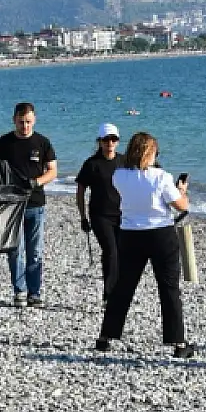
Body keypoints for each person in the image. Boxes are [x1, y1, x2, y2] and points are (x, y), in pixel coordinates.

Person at [95, 132, 193, 358]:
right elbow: (181, 205)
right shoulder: (161, 177)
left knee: (123, 287)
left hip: (130, 234)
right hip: (161, 234)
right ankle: (177, 341)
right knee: (168, 288)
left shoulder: (119, 175)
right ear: (151, 153)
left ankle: (106, 336)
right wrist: (182, 191)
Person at [0, 102, 58, 307]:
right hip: (11, 205)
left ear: (34, 120)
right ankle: (19, 290)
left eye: (28, 122)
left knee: (35, 250)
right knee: (14, 249)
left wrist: (36, 182)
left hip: (36, 204)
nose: (25, 126)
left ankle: (34, 292)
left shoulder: (43, 142)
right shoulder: (4, 142)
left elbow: (53, 171)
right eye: (21, 122)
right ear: (14, 120)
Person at [74, 123, 123, 302]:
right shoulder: (92, 164)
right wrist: (83, 217)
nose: (110, 142)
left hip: (122, 215)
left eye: (113, 139)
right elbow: (80, 190)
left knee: (119, 252)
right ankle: (109, 295)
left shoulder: (124, 162)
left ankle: (116, 289)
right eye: (106, 139)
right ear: (100, 141)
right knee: (111, 251)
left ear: (117, 142)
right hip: (99, 216)